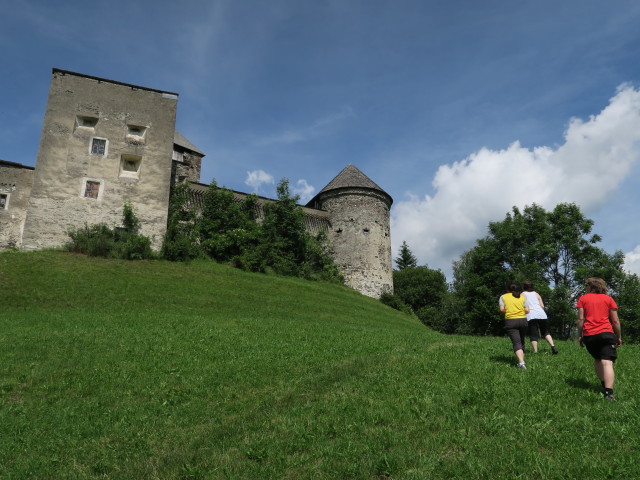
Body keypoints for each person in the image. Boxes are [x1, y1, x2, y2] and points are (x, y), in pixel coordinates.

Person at [576, 277, 622, 401]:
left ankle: (604, 385)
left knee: (598, 359)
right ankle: (609, 393)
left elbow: (581, 319)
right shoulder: (609, 299)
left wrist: (579, 335)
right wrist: (618, 337)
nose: (586, 288)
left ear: (590, 287)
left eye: (587, 286)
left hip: (589, 335)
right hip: (606, 333)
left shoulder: (583, 299)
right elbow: (615, 320)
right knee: (607, 361)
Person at [499, 283, 530, 369]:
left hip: (511, 321)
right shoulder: (523, 297)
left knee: (516, 342)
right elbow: (527, 310)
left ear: (507, 289)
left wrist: (510, 310)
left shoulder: (503, 297)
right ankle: (521, 360)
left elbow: (502, 309)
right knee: (522, 341)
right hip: (523, 321)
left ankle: (521, 363)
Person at [522, 281, 558, 355]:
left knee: (533, 334)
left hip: (531, 315)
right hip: (542, 314)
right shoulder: (536, 294)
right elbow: (542, 306)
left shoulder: (522, 294)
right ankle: (553, 346)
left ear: (524, 287)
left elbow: (522, 305)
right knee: (545, 332)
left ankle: (535, 351)